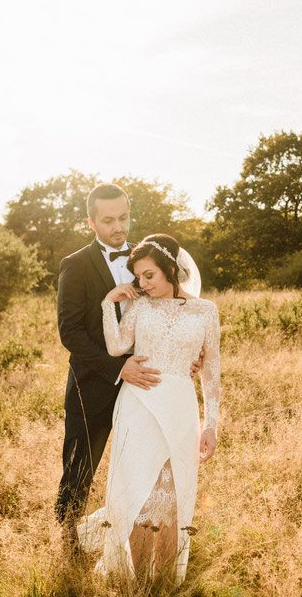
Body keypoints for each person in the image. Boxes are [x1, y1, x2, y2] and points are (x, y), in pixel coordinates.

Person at [54, 184, 201, 546]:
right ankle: (67, 544)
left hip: (146, 387)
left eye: (124, 217)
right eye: (108, 220)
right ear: (91, 221)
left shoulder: (145, 260)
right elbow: (70, 332)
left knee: (143, 467)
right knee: (80, 469)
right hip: (93, 385)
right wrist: (118, 368)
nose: (118, 226)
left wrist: (184, 356)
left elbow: (171, 310)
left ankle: (139, 544)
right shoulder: (74, 266)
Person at [77, 233, 220, 585]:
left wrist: (211, 423)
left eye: (149, 275)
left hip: (181, 409)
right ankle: (140, 585)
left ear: (171, 269)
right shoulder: (139, 305)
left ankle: (166, 584)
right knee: (140, 495)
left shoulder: (206, 311)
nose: (142, 284)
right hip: (137, 405)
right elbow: (116, 348)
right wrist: (108, 303)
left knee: (172, 499)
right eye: (138, 277)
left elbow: (212, 370)